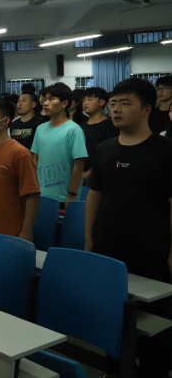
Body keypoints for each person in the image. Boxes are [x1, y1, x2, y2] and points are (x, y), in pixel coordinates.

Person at [84, 78, 172, 378]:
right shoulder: (104, 149)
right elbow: (94, 196)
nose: (116, 109)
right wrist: (89, 240)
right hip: (109, 250)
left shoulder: (165, 151)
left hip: (152, 252)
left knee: (155, 330)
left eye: (125, 103)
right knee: (112, 323)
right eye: (113, 104)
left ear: (147, 109)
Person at [0, 99, 40, 240]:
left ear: (5, 121)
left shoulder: (19, 153)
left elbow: (32, 195)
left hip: (12, 232)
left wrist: (26, 231)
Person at [31, 83, 88, 207]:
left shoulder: (74, 130)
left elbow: (78, 164)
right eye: (45, 99)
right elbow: (35, 159)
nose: (46, 103)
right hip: (41, 194)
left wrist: (72, 194)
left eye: (51, 99)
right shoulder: (40, 129)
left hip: (64, 197)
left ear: (64, 103)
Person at [80, 87, 118, 180]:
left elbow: (111, 154)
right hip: (80, 174)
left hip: (103, 175)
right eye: (84, 100)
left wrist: (88, 174)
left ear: (101, 102)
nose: (85, 103)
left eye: (90, 99)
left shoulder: (111, 125)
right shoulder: (80, 126)